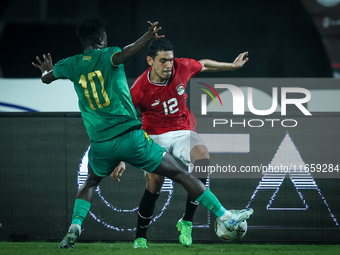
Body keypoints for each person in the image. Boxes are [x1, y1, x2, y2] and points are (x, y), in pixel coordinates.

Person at [32, 16, 253, 249]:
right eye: (163, 61)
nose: (169, 65)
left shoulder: (70, 63)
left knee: (90, 183)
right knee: (176, 176)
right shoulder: (115, 60)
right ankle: (225, 217)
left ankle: (76, 225)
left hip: (103, 142)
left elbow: (47, 78)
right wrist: (147, 37)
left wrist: (47, 72)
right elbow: (124, 54)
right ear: (100, 39)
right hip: (135, 137)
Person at [111, 38, 249, 248]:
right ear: (150, 61)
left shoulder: (181, 67)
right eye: (163, 61)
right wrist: (120, 158)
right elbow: (125, 123)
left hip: (182, 130)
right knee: (154, 186)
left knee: (202, 158)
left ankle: (187, 221)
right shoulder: (139, 88)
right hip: (154, 137)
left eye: (170, 60)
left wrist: (233, 65)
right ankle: (140, 237)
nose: (168, 65)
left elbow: (204, 64)